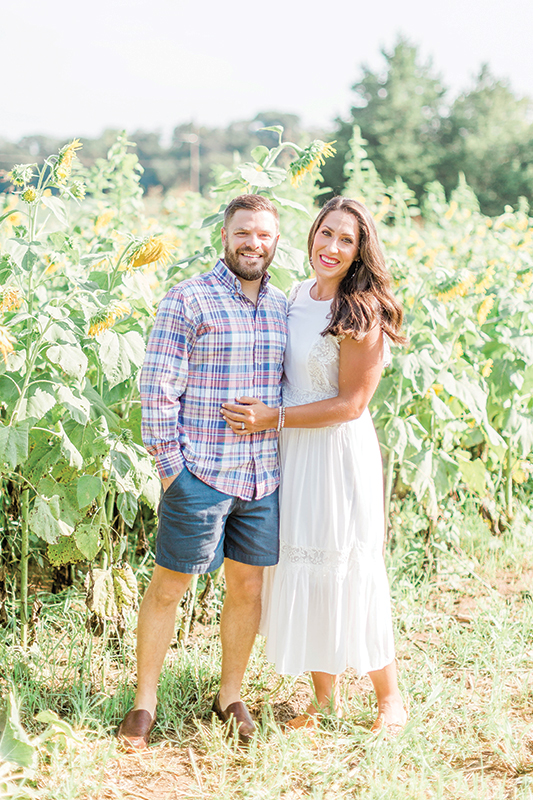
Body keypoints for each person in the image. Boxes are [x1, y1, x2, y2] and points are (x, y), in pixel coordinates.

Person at [221, 196, 407, 732]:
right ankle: (324, 698)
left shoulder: (361, 310)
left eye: (345, 240)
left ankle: (389, 697)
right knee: (306, 565)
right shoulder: (296, 296)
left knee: (349, 568)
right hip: (293, 451)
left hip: (337, 453)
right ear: (310, 236)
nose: (331, 247)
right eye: (326, 234)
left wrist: (270, 418)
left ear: (359, 250)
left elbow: (352, 404)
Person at [117, 194, 288, 750]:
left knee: (248, 586)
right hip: (201, 475)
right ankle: (145, 701)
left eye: (263, 234)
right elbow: (157, 390)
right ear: (225, 236)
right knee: (172, 586)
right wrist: (173, 475)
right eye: (243, 232)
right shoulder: (188, 301)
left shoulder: (283, 306)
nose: (253, 243)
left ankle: (229, 695)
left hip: (263, 478)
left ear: (276, 241)